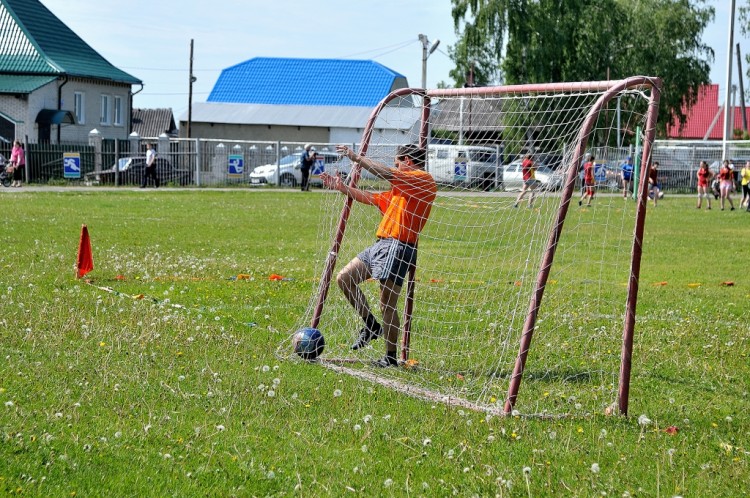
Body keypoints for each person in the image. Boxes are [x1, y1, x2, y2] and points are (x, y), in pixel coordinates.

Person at [320, 143, 437, 368]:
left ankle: (390, 358)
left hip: (399, 246)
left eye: (397, 163)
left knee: (388, 304)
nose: (394, 168)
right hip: (381, 245)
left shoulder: (422, 179)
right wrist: (342, 188)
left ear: (408, 161)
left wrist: (356, 158)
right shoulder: (401, 188)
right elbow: (373, 198)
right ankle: (371, 325)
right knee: (344, 278)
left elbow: (382, 172)